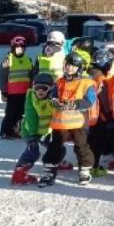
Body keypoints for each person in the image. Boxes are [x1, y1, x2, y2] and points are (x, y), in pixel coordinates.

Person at [39, 51, 97, 187]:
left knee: (81, 146)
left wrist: (74, 104)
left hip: (78, 122)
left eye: (73, 66)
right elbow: (53, 96)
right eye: (67, 65)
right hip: (60, 122)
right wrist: (54, 101)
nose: (69, 68)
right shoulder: (60, 82)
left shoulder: (86, 83)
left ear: (79, 68)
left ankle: (85, 170)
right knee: (54, 147)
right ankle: (49, 170)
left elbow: (90, 101)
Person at [10, 72, 57, 185]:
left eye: (44, 88)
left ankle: (56, 162)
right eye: (37, 88)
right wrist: (32, 136)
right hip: (30, 129)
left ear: (50, 89)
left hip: (45, 130)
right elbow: (31, 117)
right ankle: (20, 172)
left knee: (56, 147)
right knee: (33, 151)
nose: (40, 91)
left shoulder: (53, 99)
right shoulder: (31, 97)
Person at [0, 35, 35, 139]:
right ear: (13, 48)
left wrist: (32, 88)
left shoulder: (28, 59)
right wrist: (4, 91)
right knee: (11, 113)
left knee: (22, 112)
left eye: (22, 47)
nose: (20, 49)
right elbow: (3, 77)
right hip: (12, 93)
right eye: (18, 47)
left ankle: (16, 130)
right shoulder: (8, 60)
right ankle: (5, 131)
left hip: (25, 92)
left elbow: (31, 76)